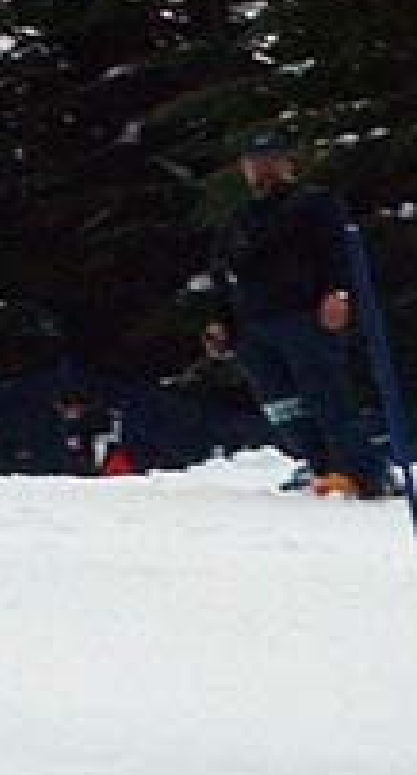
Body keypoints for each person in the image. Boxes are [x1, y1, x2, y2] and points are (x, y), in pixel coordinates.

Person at [215, 131, 390, 499]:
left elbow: (338, 251)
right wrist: (222, 322)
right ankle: (319, 464)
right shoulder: (239, 218)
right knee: (282, 406)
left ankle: (362, 471)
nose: (262, 169)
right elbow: (225, 272)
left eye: (270, 160)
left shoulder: (314, 204)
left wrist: (337, 292)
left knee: (327, 395)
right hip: (255, 324)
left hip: (303, 315)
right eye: (254, 162)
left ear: (288, 163)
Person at [160, 320, 271, 457]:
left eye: (218, 337)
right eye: (209, 338)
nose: (214, 342)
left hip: (250, 417)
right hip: (217, 425)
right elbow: (187, 381)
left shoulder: (244, 359)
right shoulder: (203, 365)